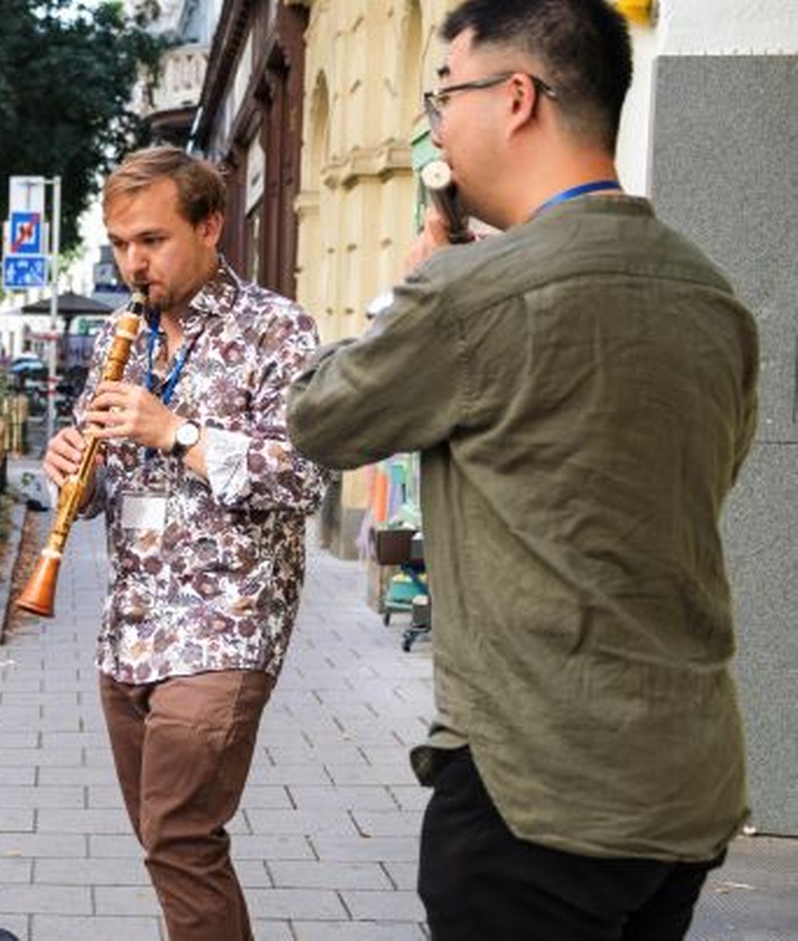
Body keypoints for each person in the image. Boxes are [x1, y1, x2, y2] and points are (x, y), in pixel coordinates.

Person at [285, 3, 759, 939]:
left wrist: (419, 282)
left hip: (536, 788)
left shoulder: (472, 297)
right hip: (684, 778)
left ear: (517, 98)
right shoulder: (713, 295)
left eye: (444, 96)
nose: (437, 126)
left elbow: (320, 415)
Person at [40, 147, 326, 940]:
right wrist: (72, 467)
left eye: (153, 240)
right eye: (121, 243)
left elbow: (304, 475)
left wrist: (179, 432)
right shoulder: (117, 335)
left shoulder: (277, 328)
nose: (134, 262)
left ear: (210, 225)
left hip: (225, 625)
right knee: (171, 844)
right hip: (130, 629)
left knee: (179, 836)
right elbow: (104, 480)